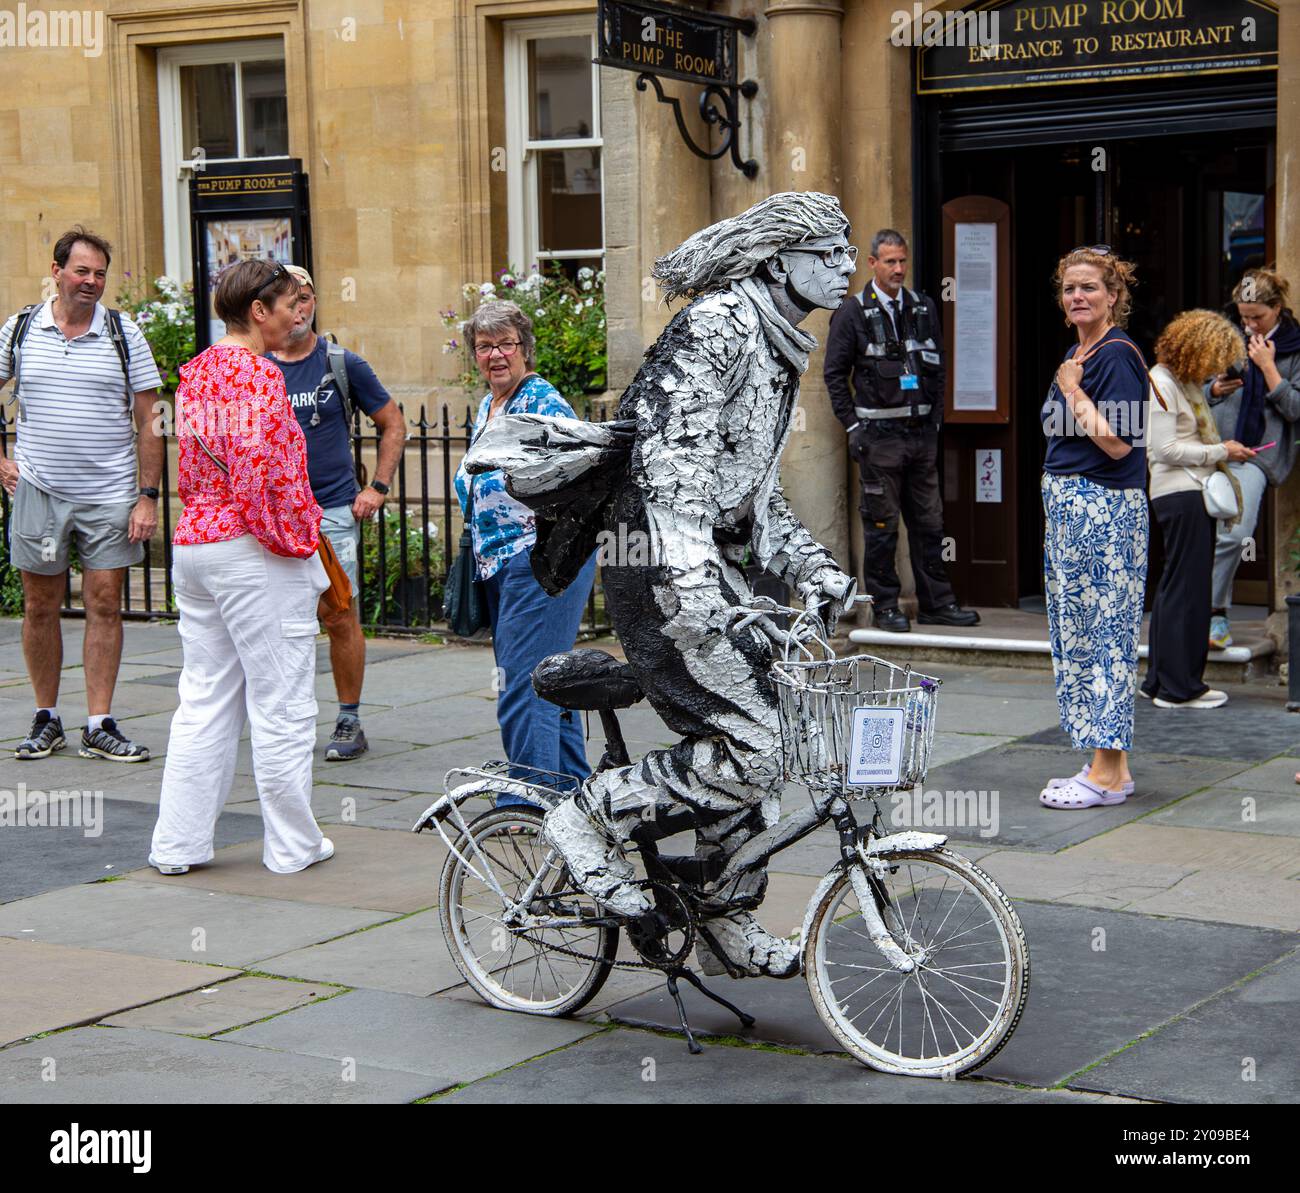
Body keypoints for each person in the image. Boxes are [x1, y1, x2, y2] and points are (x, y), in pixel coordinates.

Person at [467, 193, 858, 978]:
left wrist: (814, 570)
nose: (846, 266)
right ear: (781, 262)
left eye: (847, 250)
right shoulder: (717, 325)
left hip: (712, 571)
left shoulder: (779, 342)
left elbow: (752, 489)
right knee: (756, 743)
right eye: (830, 252)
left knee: (762, 752)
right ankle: (588, 813)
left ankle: (722, 918)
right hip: (657, 568)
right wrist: (693, 585)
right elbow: (670, 471)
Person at [148, 259, 335, 876]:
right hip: (251, 551)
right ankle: (292, 845)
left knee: (203, 699)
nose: (295, 316)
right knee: (280, 701)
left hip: (196, 542)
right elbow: (265, 475)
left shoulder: (197, 374)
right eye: (288, 306)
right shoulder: (259, 376)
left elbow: (198, 466)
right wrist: (300, 540)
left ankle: (177, 845)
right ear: (259, 311)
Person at [0, 226, 164, 763]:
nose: (91, 282)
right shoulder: (21, 329)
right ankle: (46, 717)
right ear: (57, 271)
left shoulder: (123, 333)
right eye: (81, 271)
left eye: (99, 274)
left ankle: (99, 722)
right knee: (40, 606)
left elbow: (151, 420)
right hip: (40, 492)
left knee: (104, 605)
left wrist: (147, 496)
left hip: (110, 494)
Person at [453, 300, 596, 808]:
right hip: (501, 562)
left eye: (505, 344)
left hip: (538, 559)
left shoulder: (540, 400)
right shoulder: (489, 405)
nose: (495, 355)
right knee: (547, 679)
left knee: (523, 682)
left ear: (525, 349)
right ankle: (573, 794)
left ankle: (525, 801)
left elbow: (580, 471)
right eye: (485, 345)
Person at [264, 265, 406, 761]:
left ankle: (349, 719)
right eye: (288, 299)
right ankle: (287, 717)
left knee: (339, 615)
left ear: (315, 302)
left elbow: (394, 423)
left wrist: (378, 487)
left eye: (305, 297)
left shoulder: (340, 362)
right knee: (280, 620)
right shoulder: (256, 364)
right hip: (273, 517)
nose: (298, 308)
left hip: (331, 510)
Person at [1037, 246, 1148, 811]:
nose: (1077, 296)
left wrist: (1074, 389)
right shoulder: (1079, 350)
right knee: (1081, 635)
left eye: (1089, 288)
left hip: (1101, 512)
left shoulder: (1115, 356)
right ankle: (1111, 766)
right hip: (1073, 510)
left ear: (1113, 296)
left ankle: (1104, 776)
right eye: (1069, 289)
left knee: (1101, 635)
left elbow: (1117, 440)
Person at [823, 228, 978, 633]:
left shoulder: (923, 307)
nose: (898, 269)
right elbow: (835, 375)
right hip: (878, 441)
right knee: (881, 527)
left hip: (920, 437)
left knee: (930, 524)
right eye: (889, 261)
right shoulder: (853, 312)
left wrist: (936, 421)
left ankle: (937, 603)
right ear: (872, 263)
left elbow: (940, 368)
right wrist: (853, 427)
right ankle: (885, 606)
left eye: (902, 261)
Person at [1143, 311, 1253, 709]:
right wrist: (1223, 450)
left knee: (1177, 588)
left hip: (1185, 494)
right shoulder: (1163, 381)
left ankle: (1160, 681)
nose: (1214, 365)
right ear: (1196, 348)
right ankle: (1180, 687)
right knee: (1187, 590)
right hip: (1181, 494)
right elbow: (1163, 449)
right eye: (1213, 355)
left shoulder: (1181, 382)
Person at [1205, 266, 1300, 649]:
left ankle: (1216, 615)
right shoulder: (1225, 337)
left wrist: (1267, 369)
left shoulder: (1295, 347)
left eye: (1257, 317)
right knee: (1195, 533)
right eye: (1243, 317)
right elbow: (1196, 387)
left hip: (1254, 455)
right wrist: (1213, 387)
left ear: (1276, 308)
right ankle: (1193, 614)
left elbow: (1295, 407)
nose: (1250, 325)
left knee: (1236, 534)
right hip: (1208, 448)